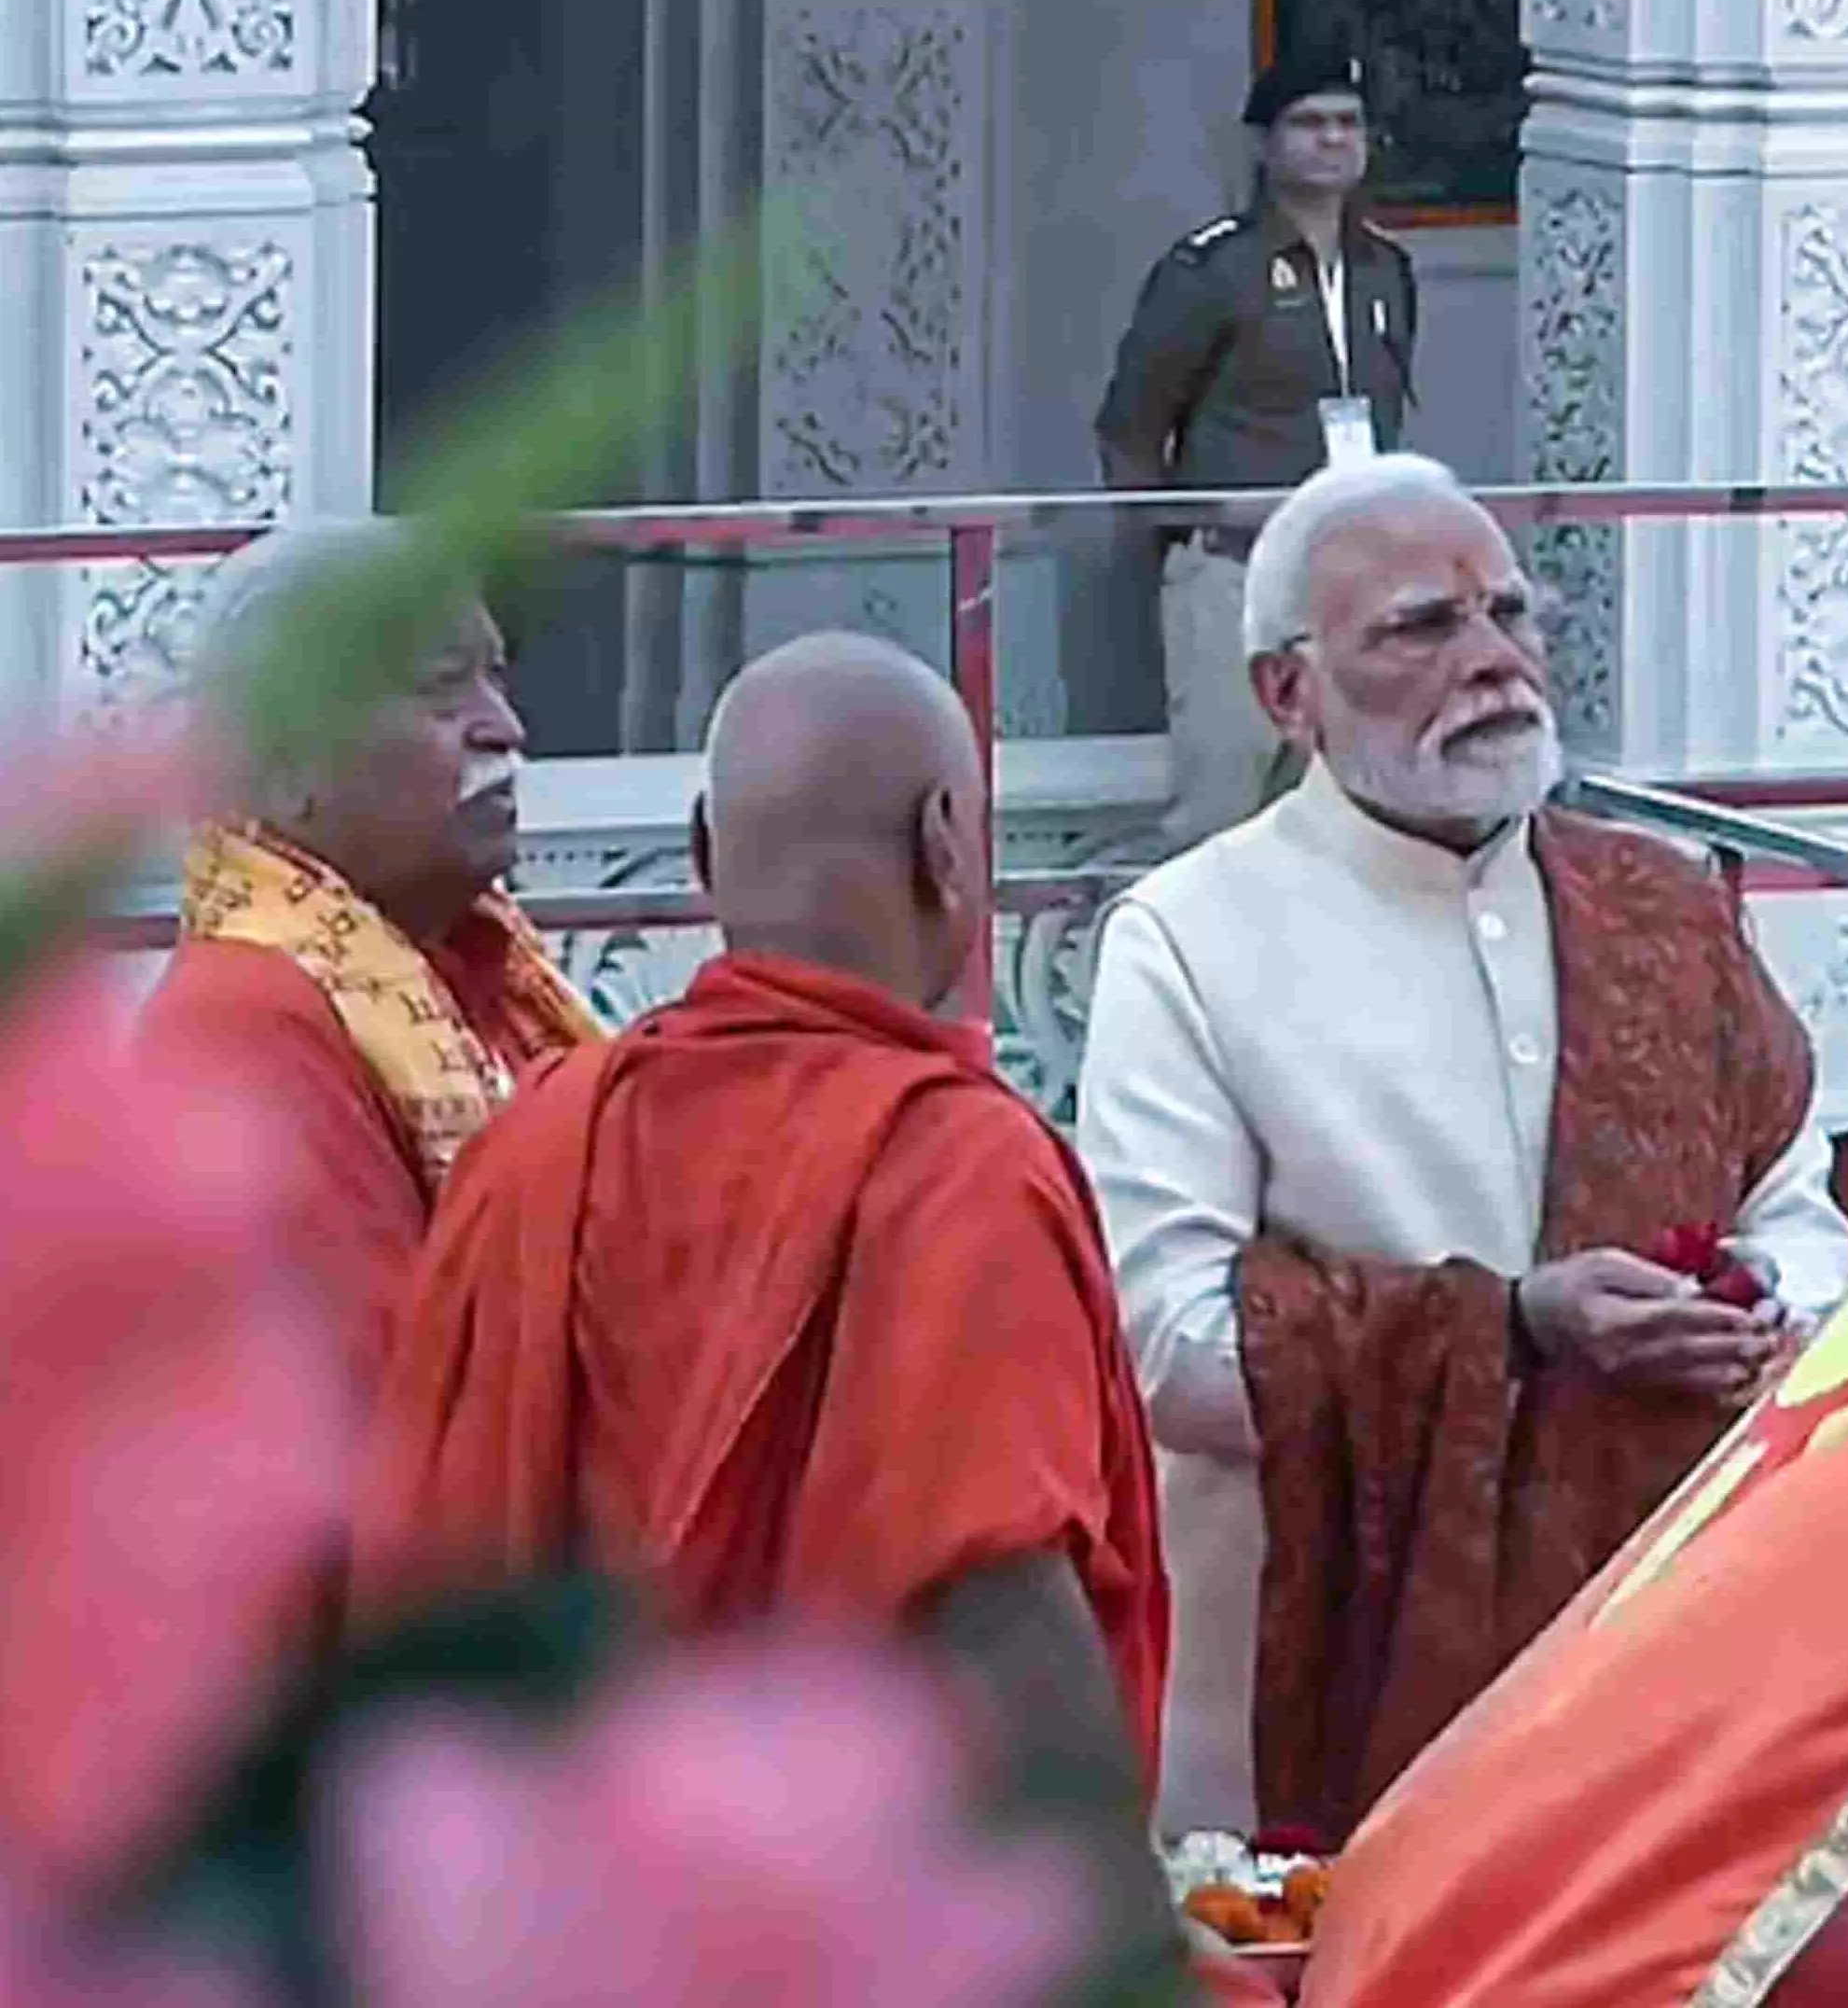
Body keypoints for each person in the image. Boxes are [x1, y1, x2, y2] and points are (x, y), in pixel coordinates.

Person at [1076, 454, 1848, 1841]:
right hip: (1328, 1705)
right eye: (1421, 627)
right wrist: (1515, 1328)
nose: (1496, 661)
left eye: (1513, 612)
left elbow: (1807, 1221)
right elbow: (1169, 1350)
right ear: (1286, 692)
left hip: (1653, 1674)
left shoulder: (1661, 911)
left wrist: (1757, 1313)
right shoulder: (1189, 938)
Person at [354, 634, 1168, 1754]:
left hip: (555, 1891)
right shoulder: (960, 1163)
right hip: (841, 1903)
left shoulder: (530, 1143)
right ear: (946, 845)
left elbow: (426, 1572)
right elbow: (1001, 1601)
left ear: (700, 852)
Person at [141, 520, 598, 1407]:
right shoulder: (246, 1025)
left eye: (494, 679)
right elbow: (389, 1414)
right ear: (285, 768)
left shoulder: (485, 971)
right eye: (441, 691)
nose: (505, 729)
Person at [1095, 52, 1426, 852]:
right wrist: (1167, 548)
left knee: (1343, 807)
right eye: (1309, 124)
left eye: (1348, 124)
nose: (1333, 141)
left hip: (1350, 582)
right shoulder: (1213, 270)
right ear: (1264, 144)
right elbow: (1130, 425)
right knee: (1222, 808)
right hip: (1233, 569)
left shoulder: (1386, 269)